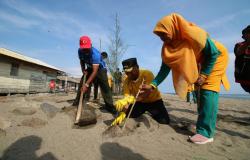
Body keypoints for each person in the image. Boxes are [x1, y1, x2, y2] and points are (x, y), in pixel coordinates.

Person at [141, 13, 230, 144]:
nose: (162, 39)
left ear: (173, 28)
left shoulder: (195, 34)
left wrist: (204, 75)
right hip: (200, 62)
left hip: (216, 58)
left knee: (207, 90)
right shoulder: (169, 47)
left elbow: (213, 53)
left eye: (164, 34)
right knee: (198, 92)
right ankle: (204, 124)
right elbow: (165, 69)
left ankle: (206, 133)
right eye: (160, 36)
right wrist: (152, 85)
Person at [111, 58, 170, 126]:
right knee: (127, 114)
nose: (129, 74)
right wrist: (123, 113)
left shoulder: (147, 74)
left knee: (164, 121)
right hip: (139, 103)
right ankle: (141, 111)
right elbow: (126, 99)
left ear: (137, 67)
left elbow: (146, 93)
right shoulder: (126, 81)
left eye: (130, 71)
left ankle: (151, 112)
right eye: (126, 72)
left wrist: (132, 99)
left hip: (154, 101)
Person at [73, 35, 116, 114]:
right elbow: (82, 61)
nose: (86, 50)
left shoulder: (95, 54)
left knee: (105, 87)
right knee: (82, 82)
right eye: (84, 49)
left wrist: (86, 85)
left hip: (100, 69)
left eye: (87, 48)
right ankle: (78, 102)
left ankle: (110, 106)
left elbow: (95, 71)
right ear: (81, 47)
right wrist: (83, 70)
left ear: (91, 45)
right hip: (90, 67)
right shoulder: (80, 51)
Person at [234, 25, 250, 93]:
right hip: (244, 79)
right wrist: (248, 42)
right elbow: (238, 52)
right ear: (244, 36)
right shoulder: (239, 45)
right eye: (248, 32)